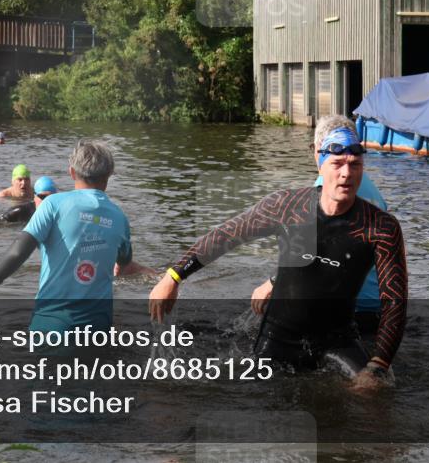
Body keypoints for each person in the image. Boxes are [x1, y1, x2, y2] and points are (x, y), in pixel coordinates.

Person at [148, 119, 407, 391]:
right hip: (279, 337)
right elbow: (227, 235)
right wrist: (174, 276)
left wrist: (378, 365)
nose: (346, 174)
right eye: (338, 164)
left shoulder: (380, 227)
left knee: (376, 397)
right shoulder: (288, 206)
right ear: (320, 163)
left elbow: (395, 302)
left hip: (338, 339)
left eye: (355, 165)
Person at [0, 140, 150, 331]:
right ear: (110, 174)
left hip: (52, 325)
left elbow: (18, 251)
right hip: (100, 327)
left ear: (72, 172)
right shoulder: (119, 217)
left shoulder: (53, 204)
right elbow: (124, 265)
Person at [250, 116, 389, 333]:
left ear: (319, 150)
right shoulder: (367, 188)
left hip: (347, 309)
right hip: (377, 307)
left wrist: (271, 284)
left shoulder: (327, 189)